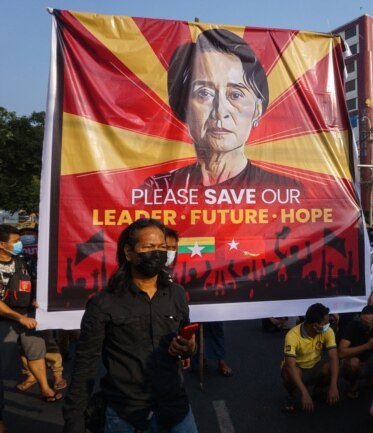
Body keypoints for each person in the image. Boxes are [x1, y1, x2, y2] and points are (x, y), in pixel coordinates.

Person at [63, 219, 197, 433]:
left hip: (176, 410)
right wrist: (74, 421)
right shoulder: (103, 303)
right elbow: (85, 365)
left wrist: (188, 347)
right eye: (149, 247)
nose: (158, 253)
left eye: (162, 247)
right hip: (125, 415)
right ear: (128, 252)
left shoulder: (177, 294)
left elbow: (186, 340)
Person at [143, 28, 300, 192]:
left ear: (257, 109)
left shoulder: (284, 191)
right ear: (184, 107)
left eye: (235, 95)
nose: (219, 111)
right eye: (204, 93)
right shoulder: (157, 190)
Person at [0, 224, 61, 404]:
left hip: (29, 316)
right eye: (16, 241)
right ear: (1, 244)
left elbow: (32, 283)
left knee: (36, 353)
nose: (20, 244)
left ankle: (45, 388)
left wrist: (36, 299)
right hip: (6, 320)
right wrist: (20, 318)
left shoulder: (21, 261)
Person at [281, 303, 339, 413]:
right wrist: (304, 393)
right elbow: (291, 365)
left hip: (316, 366)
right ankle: (292, 395)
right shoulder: (292, 335)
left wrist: (334, 385)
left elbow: (333, 357)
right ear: (314, 326)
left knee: (330, 367)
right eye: (325, 323)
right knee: (287, 373)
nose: (328, 325)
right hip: (298, 369)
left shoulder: (328, 331)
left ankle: (317, 390)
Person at [338, 306, 373, 399]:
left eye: (366, 323)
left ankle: (372, 380)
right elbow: (341, 352)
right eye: (361, 321)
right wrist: (367, 346)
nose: (362, 324)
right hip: (352, 362)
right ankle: (353, 385)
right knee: (354, 362)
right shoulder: (353, 325)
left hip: (371, 362)